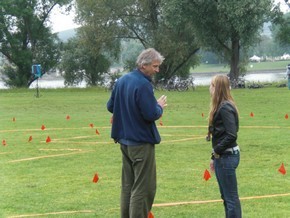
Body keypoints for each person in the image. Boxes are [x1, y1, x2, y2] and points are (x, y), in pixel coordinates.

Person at [107, 48, 167, 218]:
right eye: (155, 66)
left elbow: (110, 106)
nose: (157, 70)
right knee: (143, 187)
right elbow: (151, 114)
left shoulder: (122, 81)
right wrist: (159, 106)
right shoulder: (143, 84)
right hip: (140, 143)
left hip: (125, 142)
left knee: (128, 185)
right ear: (143, 65)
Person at [207, 75, 242, 218]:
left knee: (231, 198)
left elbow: (231, 134)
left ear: (217, 88)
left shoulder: (225, 108)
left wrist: (216, 151)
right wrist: (213, 157)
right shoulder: (221, 106)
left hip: (227, 157)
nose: (209, 88)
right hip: (222, 157)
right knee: (226, 197)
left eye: (212, 85)